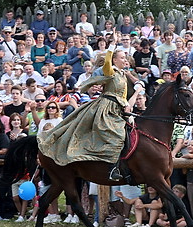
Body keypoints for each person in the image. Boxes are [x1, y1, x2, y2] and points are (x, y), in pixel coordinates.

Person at [38, 31, 143, 181]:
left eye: (125, 58)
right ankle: (112, 168)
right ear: (114, 60)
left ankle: (127, 164)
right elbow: (107, 62)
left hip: (119, 108)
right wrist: (112, 44)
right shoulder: (111, 71)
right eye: (122, 57)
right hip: (106, 108)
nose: (125, 60)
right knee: (116, 134)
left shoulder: (122, 74)